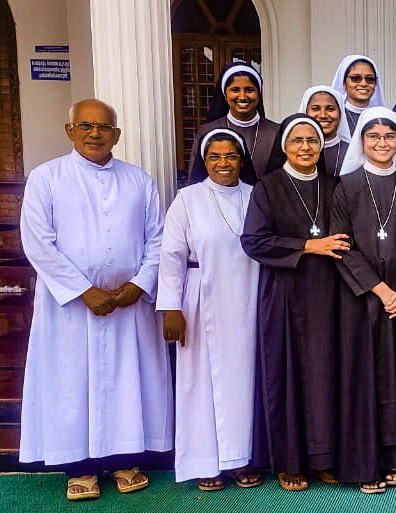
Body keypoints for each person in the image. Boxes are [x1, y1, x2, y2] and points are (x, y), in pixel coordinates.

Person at [19, 99, 172, 501]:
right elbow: (38, 241)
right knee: (73, 382)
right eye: (85, 125)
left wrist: (140, 283)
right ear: (69, 131)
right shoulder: (46, 178)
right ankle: (79, 467)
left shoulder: (140, 181)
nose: (94, 133)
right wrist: (82, 290)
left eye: (104, 127)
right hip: (70, 307)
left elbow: (157, 239)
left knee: (126, 381)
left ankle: (124, 459)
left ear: (116, 135)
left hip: (127, 305)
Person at [241, 114, 347, 492]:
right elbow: (253, 241)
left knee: (326, 376)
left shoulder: (333, 186)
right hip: (285, 295)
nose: (305, 147)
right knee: (286, 376)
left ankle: (323, 458)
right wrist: (307, 244)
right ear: (284, 145)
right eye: (297, 140)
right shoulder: (268, 188)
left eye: (312, 140)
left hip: (329, 295)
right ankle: (289, 462)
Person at [157, 128, 262, 491]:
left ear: (242, 160)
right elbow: (170, 255)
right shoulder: (187, 199)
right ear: (205, 161)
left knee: (244, 380)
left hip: (249, 299)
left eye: (231, 156)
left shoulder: (256, 195)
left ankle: (241, 459)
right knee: (200, 383)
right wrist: (170, 307)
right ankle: (205, 462)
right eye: (215, 157)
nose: (223, 163)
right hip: (201, 299)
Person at [332, 106, 396, 494]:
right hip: (364, 296)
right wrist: (380, 289)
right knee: (365, 377)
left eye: (389, 137)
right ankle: (368, 461)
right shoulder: (347, 186)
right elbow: (341, 246)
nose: (382, 143)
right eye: (373, 137)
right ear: (362, 142)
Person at [187, 63, 280, 184]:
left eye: (249, 90)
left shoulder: (276, 132)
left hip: (266, 201)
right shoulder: (208, 131)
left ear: (259, 95)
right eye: (235, 90)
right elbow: (196, 179)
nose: (242, 97)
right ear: (225, 95)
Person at [330, 54, 388, 144]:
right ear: (344, 83)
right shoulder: (334, 117)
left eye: (369, 79)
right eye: (356, 78)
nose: (363, 83)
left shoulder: (384, 117)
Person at [299, 85, 347, 176]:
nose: (323, 115)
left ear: (340, 113)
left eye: (330, 109)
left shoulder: (353, 152)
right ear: (305, 112)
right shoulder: (294, 151)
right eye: (315, 108)